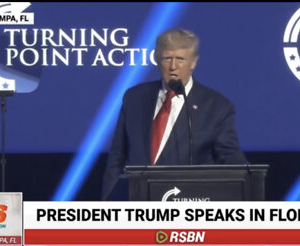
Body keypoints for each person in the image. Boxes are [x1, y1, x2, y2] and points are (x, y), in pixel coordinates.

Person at [102, 28, 247, 200]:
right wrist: (108, 203)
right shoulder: (135, 98)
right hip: (137, 205)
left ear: (193, 62)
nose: (173, 67)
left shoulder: (216, 106)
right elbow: (117, 155)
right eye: (167, 58)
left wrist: (248, 181)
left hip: (188, 205)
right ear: (157, 60)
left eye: (180, 59)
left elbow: (230, 157)